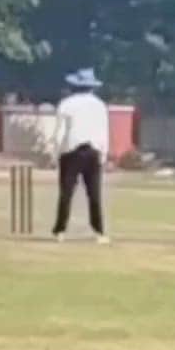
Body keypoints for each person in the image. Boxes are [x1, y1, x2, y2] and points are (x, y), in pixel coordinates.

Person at [51, 68, 110, 244]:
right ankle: (99, 232)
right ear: (92, 87)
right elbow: (104, 132)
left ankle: (60, 231)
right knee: (94, 194)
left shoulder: (66, 104)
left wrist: (55, 154)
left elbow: (59, 133)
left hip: (71, 151)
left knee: (66, 193)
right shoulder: (99, 105)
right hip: (93, 151)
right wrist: (104, 154)